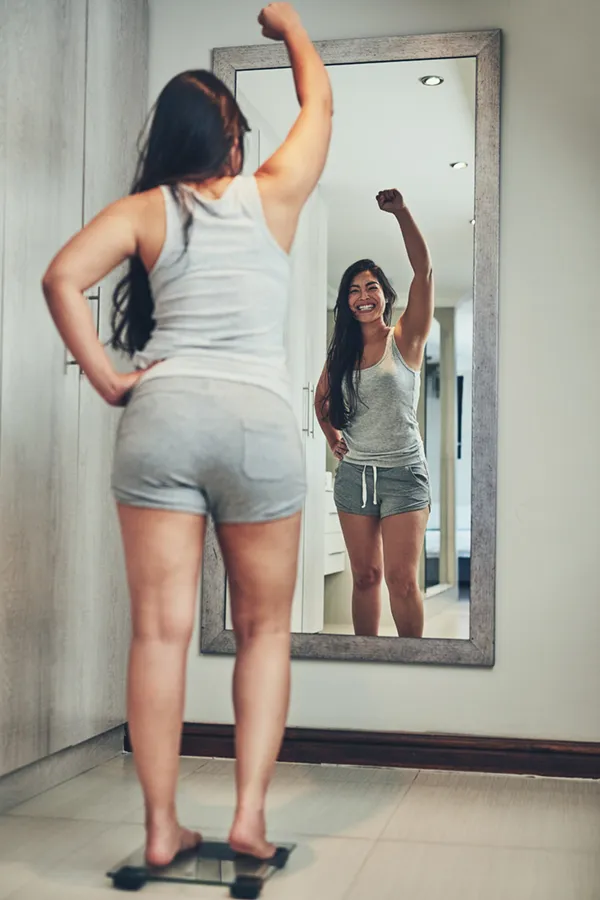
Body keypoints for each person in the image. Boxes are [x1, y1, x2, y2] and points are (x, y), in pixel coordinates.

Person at [42, 2, 332, 867]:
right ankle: (247, 818)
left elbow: (61, 278)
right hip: (255, 422)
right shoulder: (272, 194)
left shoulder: (145, 210)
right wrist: (288, 29)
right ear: (234, 140)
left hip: (162, 415)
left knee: (159, 633)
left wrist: (106, 378)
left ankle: (161, 829)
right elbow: (320, 107)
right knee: (265, 631)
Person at [315, 189, 433, 638]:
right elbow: (321, 399)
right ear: (346, 302)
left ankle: (412, 667)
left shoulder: (406, 339)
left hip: (404, 474)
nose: (363, 296)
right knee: (365, 578)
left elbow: (423, 270)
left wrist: (402, 212)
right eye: (353, 290)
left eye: (371, 288)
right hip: (355, 476)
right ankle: (367, 660)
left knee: (402, 581)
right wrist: (330, 438)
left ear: (385, 295)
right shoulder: (342, 351)